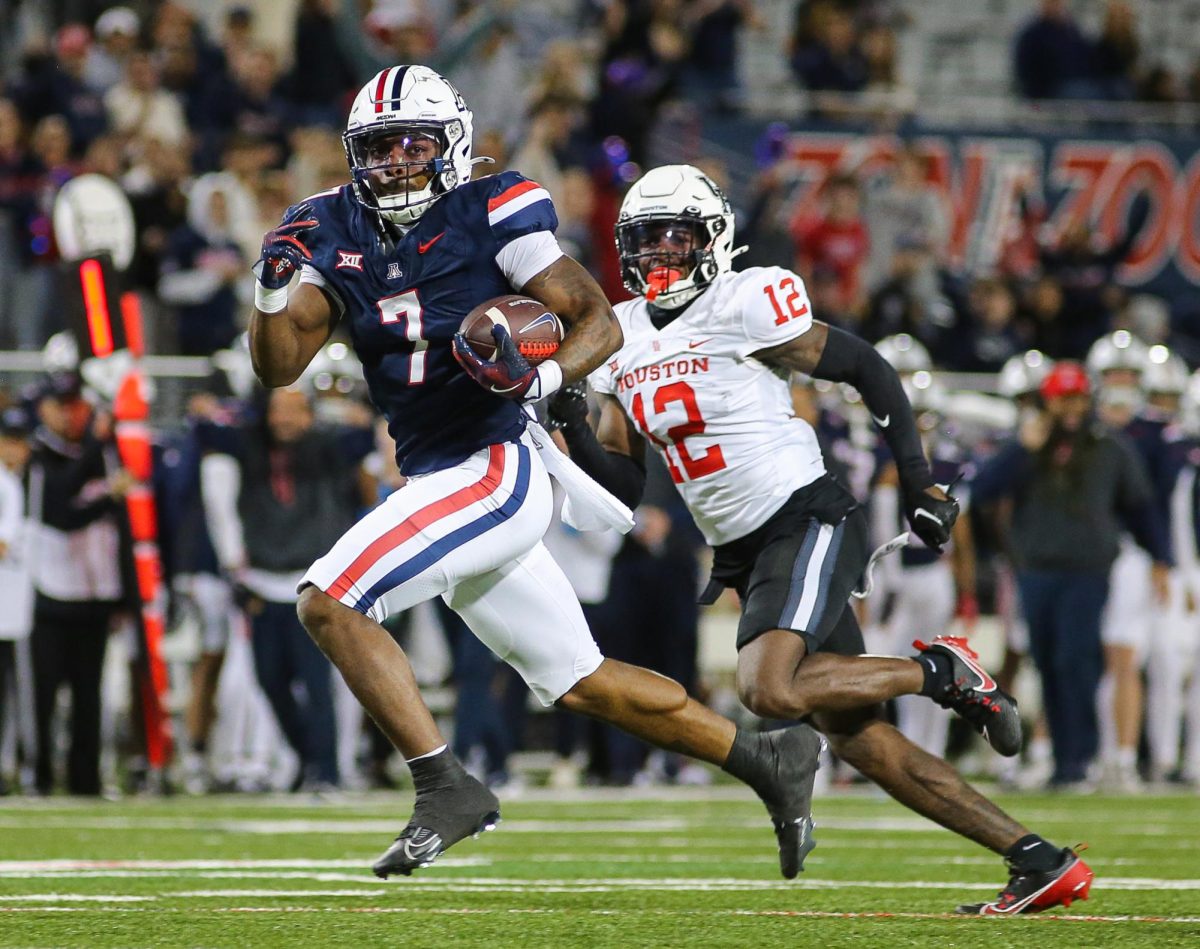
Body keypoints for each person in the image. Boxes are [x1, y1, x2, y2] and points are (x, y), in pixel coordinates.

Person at [248, 65, 823, 879]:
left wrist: (540, 378)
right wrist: (272, 291)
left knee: (330, 599)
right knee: (582, 680)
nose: (396, 165)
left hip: (496, 463)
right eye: (379, 149)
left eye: (413, 146)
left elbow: (593, 320)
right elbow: (277, 369)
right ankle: (770, 760)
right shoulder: (327, 228)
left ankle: (443, 784)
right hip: (437, 477)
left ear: (451, 146)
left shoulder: (493, 208)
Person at [547, 163, 1093, 915]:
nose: (660, 254)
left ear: (714, 238)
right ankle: (1038, 858)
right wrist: (573, 419)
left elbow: (866, 366)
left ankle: (937, 670)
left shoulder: (746, 300)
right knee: (858, 739)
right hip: (744, 547)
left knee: (766, 688)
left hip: (803, 514)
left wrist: (917, 479)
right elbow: (625, 485)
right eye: (645, 240)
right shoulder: (622, 332)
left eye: (677, 236)